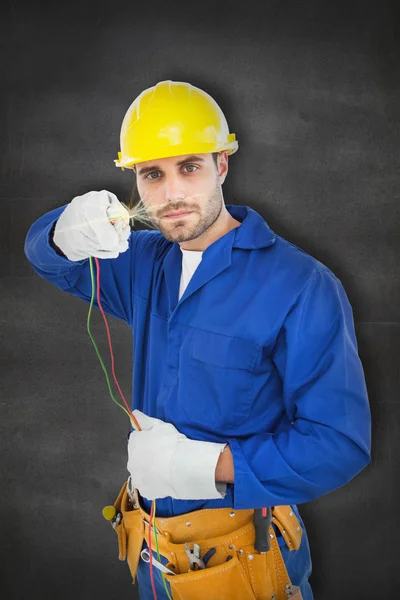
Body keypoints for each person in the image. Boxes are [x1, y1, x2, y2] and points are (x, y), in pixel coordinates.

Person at [24, 80, 371, 600]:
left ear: (222, 165)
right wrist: (61, 232)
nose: (170, 194)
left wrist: (206, 467)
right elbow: (47, 259)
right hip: (154, 556)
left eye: (189, 167)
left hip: (245, 560)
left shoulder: (301, 285)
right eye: (151, 174)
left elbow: (339, 444)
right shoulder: (142, 262)